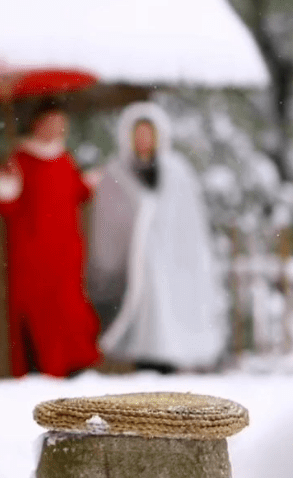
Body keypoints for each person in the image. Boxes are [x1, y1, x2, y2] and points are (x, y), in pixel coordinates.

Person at [86, 101, 226, 373]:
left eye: (148, 134)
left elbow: (188, 220)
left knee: (169, 310)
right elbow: (109, 219)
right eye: (138, 134)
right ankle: (145, 360)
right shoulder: (116, 173)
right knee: (144, 314)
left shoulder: (177, 172)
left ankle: (170, 359)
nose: (143, 140)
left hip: (171, 261)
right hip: (134, 263)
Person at [0, 99, 101, 378]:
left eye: (60, 124)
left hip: (66, 254)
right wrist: (6, 182)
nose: (56, 129)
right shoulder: (20, 160)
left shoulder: (65, 160)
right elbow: (5, 206)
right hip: (32, 256)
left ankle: (73, 366)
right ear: (37, 124)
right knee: (37, 315)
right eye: (50, 123)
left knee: (70, 311)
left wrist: (93, 181)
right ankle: (39, 369)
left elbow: (78, 192)